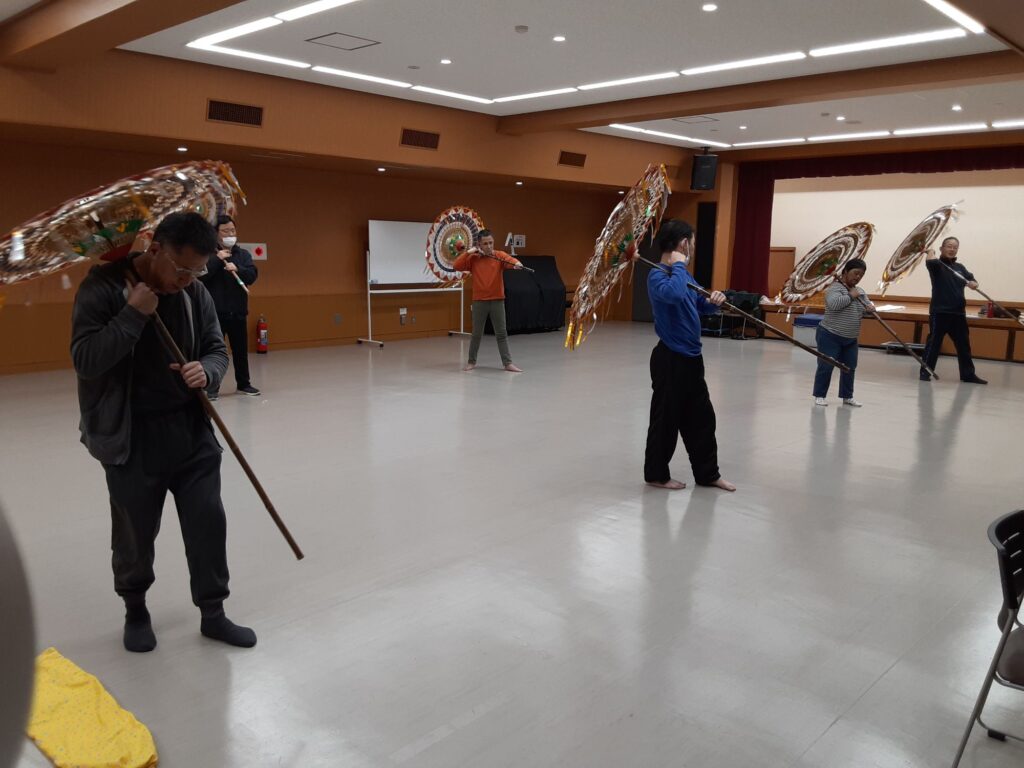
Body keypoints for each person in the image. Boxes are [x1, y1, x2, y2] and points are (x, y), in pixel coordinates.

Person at [71, 212, 256, 652]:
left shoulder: (194, 292)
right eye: (182, 270)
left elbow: (216, 348)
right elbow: (86, 360)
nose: (188, 280)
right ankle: (135, 609)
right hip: (130, 437)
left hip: (190, 429)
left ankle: (213, 612)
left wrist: (207, 371)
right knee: (134, 533)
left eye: (198, 272)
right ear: (155, 249)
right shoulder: (103, 288)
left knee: (208, 522)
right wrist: (132, 315)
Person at [643, 219, 735, 492]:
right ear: (684, 243)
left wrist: (713, 301)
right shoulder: (658, 276)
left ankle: (708, 474)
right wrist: (679, 265)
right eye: (691, 243)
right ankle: (656, 475)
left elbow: (697, 303)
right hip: (670, 358)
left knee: (702, 419)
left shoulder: (683, 276)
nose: (693, 249)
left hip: (692, 359)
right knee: (666, 420)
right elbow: (673, 295)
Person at [199, 215, 260, 399]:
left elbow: (252, 275)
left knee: (240, 351)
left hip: (238, 311)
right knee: (214, 351)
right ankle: (212, 388)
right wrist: (217, 260)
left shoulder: (243, 255)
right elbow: (201, 276)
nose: (230, 234)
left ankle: (244, 384)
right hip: (215, 314)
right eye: (225, 231)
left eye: (232, 230)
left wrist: (238, 269)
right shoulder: (208, 254)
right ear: (216, 233)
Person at [452, 229, 524, 372]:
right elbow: (456, 266)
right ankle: (471, 362)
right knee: (476, 334)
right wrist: (469, 252)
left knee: (501, 333)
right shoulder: (473, 259)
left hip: (497, 300)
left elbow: (512, 261)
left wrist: (517, 264)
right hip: (479, 301)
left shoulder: (499, 256)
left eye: (491, 243)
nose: (489, 246)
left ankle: (507, 363)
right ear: (479, 244)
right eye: (485, 244)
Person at [920, 237, 986, 384]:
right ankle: (926, 372)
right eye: (949, 246)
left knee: (964, 345)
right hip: (940, 312)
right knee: (934, 343)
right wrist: (930, 252)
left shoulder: (960, 268)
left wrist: (974, 284)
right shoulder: (937, 265)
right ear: (942, 248)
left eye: (955, 247)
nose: (952, 249)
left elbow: (972, 280)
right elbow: (930, 262)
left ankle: (968, 374)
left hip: (958, 313)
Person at [812, 258, 874, 407]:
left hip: (850, 338)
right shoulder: (834, 288)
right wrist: (850, 296)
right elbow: (834, 304)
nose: (858, 277)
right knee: (826, 366)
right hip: (829, 335)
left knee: (849, 367)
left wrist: (870, 309)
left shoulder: (859, 291)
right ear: (845, 271)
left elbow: (865, 307)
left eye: (861, 275)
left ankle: (847, 396)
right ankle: (819, 395)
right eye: (855, 273)